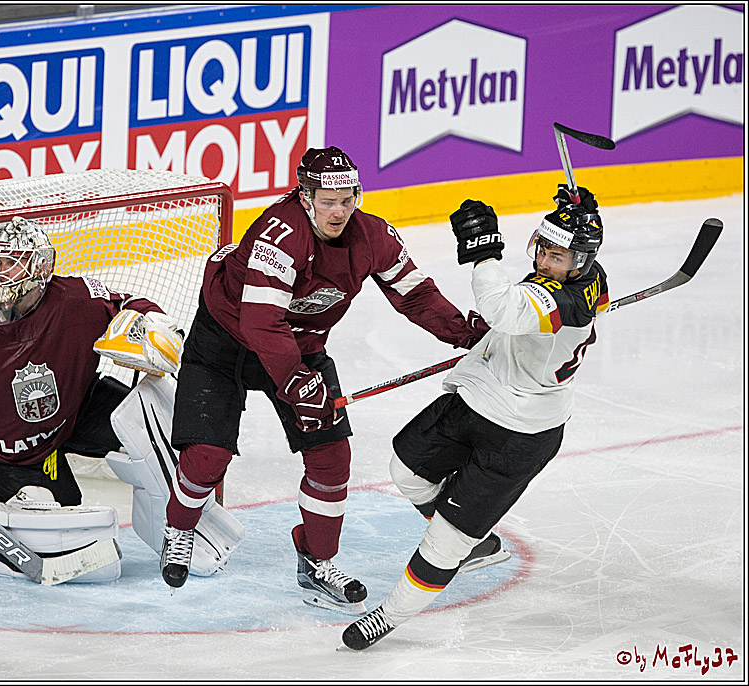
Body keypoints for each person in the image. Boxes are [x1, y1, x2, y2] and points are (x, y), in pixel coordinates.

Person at [158, 146, 489, 614]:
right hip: (226, 340)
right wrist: (296, 383)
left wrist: (469, 333)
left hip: (302, 348)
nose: (339, 210)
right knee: (207, 454)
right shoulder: (280, 233)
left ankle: (316, 560)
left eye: (347, 198)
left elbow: (415, 296)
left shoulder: (373, 235)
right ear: (305, 196)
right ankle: (180, 527)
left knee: (332, 458)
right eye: (326, 199)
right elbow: (261, 323)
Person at [0, 216, 243, 579]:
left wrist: (154, 327)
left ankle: (181, 526)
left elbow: (131, 304)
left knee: (154, 417)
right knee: (61, 527)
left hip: (76, 411)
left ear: (41, 265)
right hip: (6, 456)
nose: (1, 270)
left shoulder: (78, 300)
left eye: (13, 260)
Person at [341, 186, 608, 649]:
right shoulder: (587, 277)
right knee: (405, 468)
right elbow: (518, 310)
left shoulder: (563, 303)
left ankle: (389, 614)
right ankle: (475, 540)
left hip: (521, 433)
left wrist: (484, 253)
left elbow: (501, 307)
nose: (545, 261)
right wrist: (580, 214)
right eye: (544, 248)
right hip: (479, 396)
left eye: (558, 256)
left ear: (580, 262)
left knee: (444, 543)